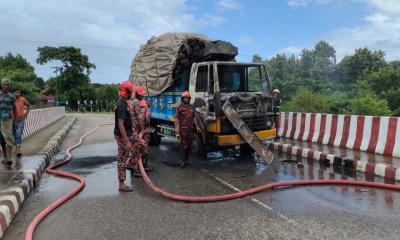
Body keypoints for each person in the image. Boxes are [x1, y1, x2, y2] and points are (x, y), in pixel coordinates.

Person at [114, 80, 135, 192]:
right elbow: (121, 124)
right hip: (122, 136)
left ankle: (131, 164)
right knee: (122, 158)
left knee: (140, 144)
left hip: (128, 134)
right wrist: (127, 141)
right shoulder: (121, 104)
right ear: (126, 91)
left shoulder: (125, 103)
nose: (132, 93)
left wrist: (133, 132)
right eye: (130, 91)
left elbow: (127, 122)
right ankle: (121, 183)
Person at [175, 91, 201, 169]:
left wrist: (197, 126)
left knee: (189, 145)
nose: (186, 99)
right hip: (183, 130)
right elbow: (177, 118)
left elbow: (194, 117)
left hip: (190, 129)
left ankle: (187, 159)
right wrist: (176, 127)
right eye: (185, 98)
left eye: (187, 98)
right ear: (182, 98)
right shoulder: (179, 107)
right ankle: (182, 161)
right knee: (183, 145)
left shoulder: (191, 106)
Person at [127, 86, 148, 176]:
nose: (142, 96)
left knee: (136, 148)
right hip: (135, 129)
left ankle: (135, 167)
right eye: (141, 95)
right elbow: (140, 118)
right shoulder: (136, 103)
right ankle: (132, 165)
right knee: (140, 147)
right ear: (137, 94)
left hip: (132, 128)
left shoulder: (132, 101)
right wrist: (143, 129)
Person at [0, 79, 16, 165]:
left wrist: (15, 120)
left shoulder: (11, 96)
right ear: (1, 85)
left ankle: (9, 159)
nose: (6, 86)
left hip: (8, 120)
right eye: (4, 84)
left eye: (7, 85)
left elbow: (14, 108)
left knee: (9, 138)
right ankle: (5, 157)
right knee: (2, 139)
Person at [13, 89, 31, 157]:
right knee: (13, 135)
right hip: (12, 120)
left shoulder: (23, 99)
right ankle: (16, 149)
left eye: (19, 92)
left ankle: (18, 151)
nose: (18, 93)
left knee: (18, 134)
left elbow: (29, 105)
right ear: (13, 93)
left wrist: (26, 114)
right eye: (17, 92)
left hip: (21, 120)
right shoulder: (11, 100)